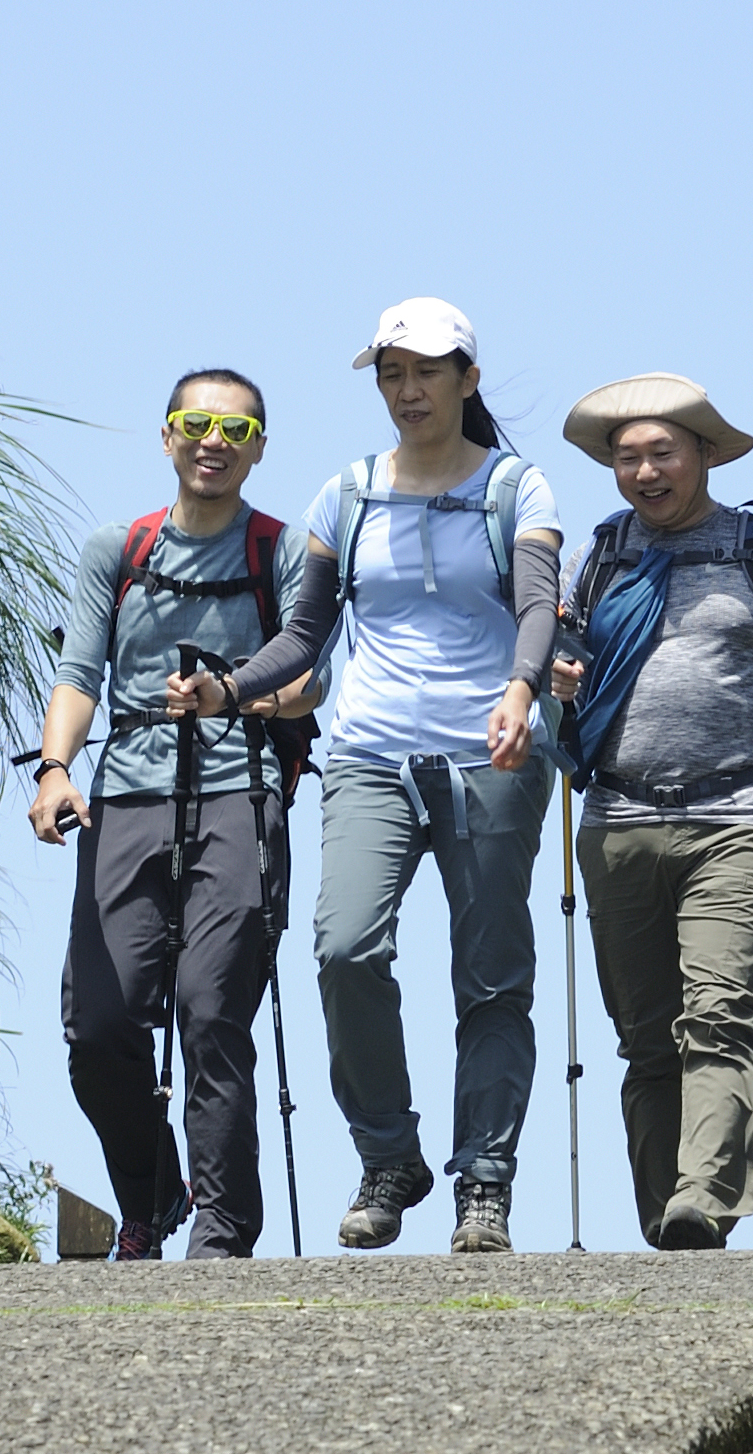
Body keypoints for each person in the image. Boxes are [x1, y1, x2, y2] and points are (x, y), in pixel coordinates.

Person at [192, 298, 562, 1255]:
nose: (408, 390)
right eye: (392, 373)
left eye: (427, 372)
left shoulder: (516, 489)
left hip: (492, 756)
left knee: (489, 980)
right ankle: (389, 1156)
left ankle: (484, 1181)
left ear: (467, 380)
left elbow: (536, 605)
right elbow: (305, 635)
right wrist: (227, 690)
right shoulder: (347, 494)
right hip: (367, 755)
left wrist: (522, 689)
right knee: (344, 950)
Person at [549, 374, 753, 1250]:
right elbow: (564, 687)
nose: (645, 472)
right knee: (647, 1040)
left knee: (716, 1015)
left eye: (662, 453)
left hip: (738, 819)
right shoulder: (603, 558)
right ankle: (669, 1226)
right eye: (626, 457)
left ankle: (704, 1198)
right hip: (616, 822)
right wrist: (558, 682)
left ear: (705, 456)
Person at [30, 370, 319, 1259]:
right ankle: (155, 1188)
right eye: (196, 423)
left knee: (210, 1010)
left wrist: (230, 700)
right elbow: (81, 671)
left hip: (241, 794)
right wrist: (53, 770)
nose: (213, 440)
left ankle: (224, 1235)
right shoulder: (115, 550)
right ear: (166, 436)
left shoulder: (287, 550)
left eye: (236, 428)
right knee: (100, 1025)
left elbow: (310, 679)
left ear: (259, 446)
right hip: (125, 796)